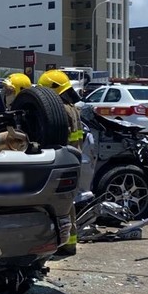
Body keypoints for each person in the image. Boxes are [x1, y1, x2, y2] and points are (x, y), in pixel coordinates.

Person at [37, 69, 85, 256]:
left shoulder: (60, 110)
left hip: (63, 160)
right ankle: (68, 242)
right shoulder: (72, 107)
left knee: (61, 205)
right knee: (67, 203)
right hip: (73, 158)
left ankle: (65, 243)